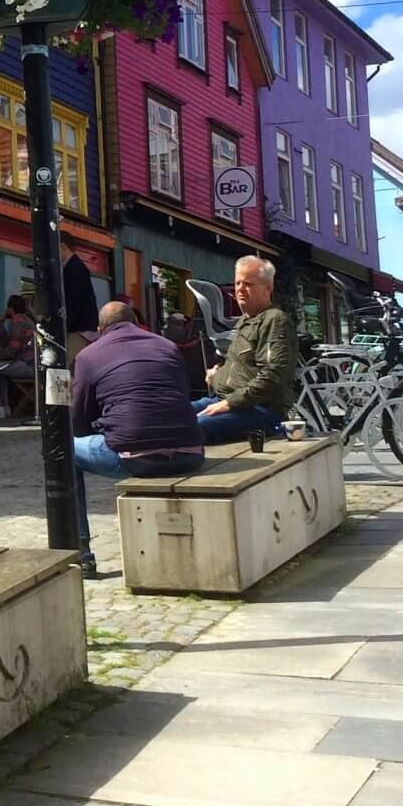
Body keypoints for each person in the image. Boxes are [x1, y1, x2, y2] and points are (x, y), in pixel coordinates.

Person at [71, 300, 205, 577]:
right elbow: (180, 394)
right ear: (135, 321)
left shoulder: (88, 355)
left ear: (100, 329)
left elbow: (78, 422)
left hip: (137, 458)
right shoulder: (166, 345)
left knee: (62, 450)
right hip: (190, 453)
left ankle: (81, 552)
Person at [192, 255, 298, 444]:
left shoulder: (274, 320)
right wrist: (215, 376)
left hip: (260, 411)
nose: (240, 289)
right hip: (223, 401)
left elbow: (273, 375)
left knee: (191, 428)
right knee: (168, 416)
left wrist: (230, 402)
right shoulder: (246, 320)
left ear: (268, 288)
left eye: (248, 284)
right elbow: (241, 368)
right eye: (238, 282)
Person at [61, 243, 100, 369]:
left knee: (69, 368)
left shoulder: (73, 269)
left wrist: (65, 326)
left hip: (78, 329)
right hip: (82, 328)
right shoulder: (76, 267)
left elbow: (73, 302)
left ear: (62, 247)